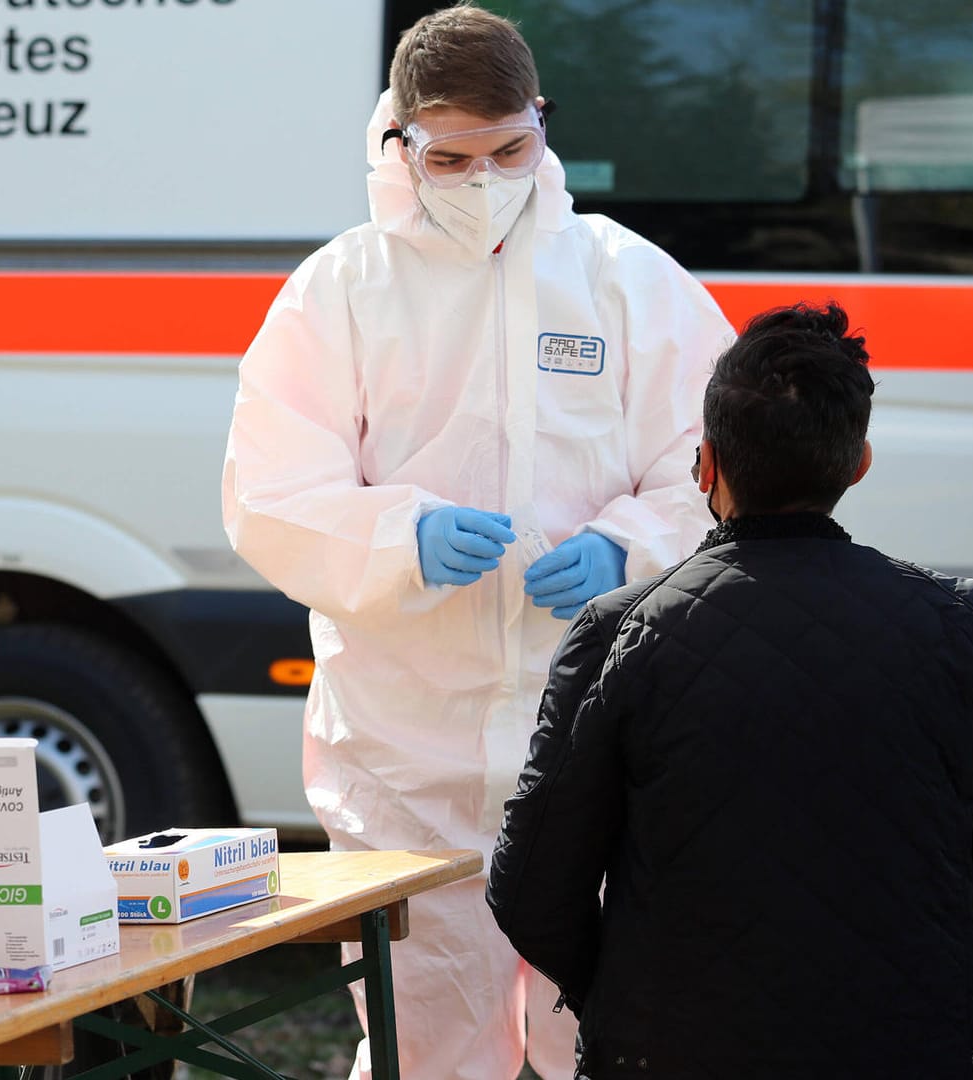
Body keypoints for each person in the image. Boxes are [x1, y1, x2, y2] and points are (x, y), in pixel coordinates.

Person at [220, 6, 732, 1077]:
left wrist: (628, 551)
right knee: (430, 1034)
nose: (486, 179)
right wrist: (402, 536)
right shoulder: (342, 292)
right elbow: (268, 496)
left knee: (600, 1030)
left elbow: (713, 468)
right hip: (409, 742)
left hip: (594, 730)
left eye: (511, 149)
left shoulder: (627, 281)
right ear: (398, 143)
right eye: (451, 158)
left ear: (542, 123)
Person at [487, 302, 973, 1079]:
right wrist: (941, 985)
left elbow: (532, 887)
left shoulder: (619, 633)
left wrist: (624, 992)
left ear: (705, 466)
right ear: (858, 464)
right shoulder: (960, 624)